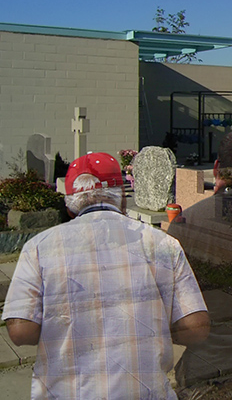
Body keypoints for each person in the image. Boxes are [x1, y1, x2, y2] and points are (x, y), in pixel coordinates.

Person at [2, 152, 209, 399]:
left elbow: (20, 331)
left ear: (69, 206)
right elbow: (197, 327)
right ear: (121, 197)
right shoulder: (164, 244)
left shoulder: (38, 247)